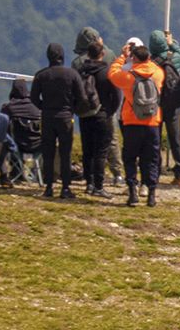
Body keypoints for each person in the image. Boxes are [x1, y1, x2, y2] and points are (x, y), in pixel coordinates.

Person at [107, 39, 165, 206]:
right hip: (152, 121)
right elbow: (155, 72)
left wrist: (122, 57)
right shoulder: (158, 73)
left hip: (132, 121)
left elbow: (112, 74)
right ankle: (151, 192)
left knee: (130, 157)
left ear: (134, 59)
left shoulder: (128, 77)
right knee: (151, 158)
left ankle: (133, 191)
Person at [30, 43, 85, 199]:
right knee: (65, 153)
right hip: (66, 117)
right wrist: (72, 109)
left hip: (47, 117)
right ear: (63, 56)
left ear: (48, 56)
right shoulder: (72, 74)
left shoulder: (41, 75)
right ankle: (66, 187)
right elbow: (82, 98)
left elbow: (33, 98)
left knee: (48, 153)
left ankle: (48, 187)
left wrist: (44, 107)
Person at [148, 29, 180, 186]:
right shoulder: (173, 59)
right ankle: (179, 173)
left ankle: (155, 172)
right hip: (172, 105)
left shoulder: (150, 63)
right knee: (176, 140)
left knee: (155, 140)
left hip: (156, 105)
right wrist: (172, 44)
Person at [75, 40, 118, 198]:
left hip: (85, 115)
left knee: (88, 151)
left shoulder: (80, 71)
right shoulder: (107, 72)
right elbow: (116, 96)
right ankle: (99, 186)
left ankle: (89, 183)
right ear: (102, 54)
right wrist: (110, 111)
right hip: (103, 114)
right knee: (101, 152)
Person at [0, 78, 41, 185]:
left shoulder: (8, 107)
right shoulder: (37, 107)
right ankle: (39, 174)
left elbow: (1, 124)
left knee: (6, 138)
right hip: (39, 146)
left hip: (17, 146)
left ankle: (12, 172)